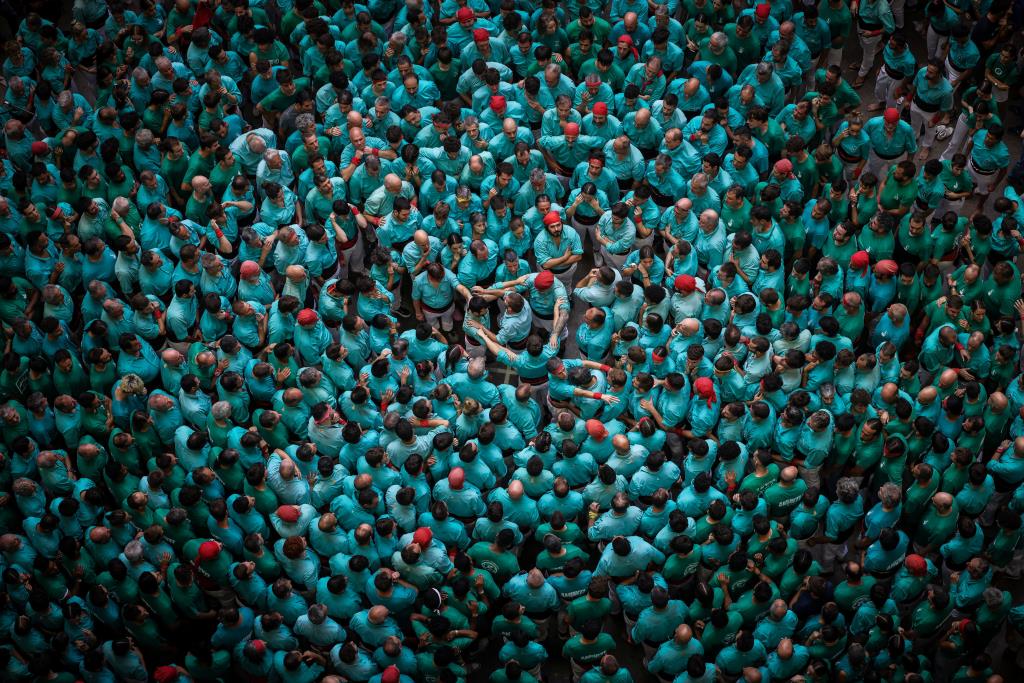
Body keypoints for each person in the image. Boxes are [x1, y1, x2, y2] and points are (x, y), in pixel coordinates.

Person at [1, 3, 1023, 683]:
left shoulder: (404, 484)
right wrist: (548, 320)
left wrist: (509, 317)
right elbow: (550, 338)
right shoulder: (616, 455)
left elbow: (506, 334)